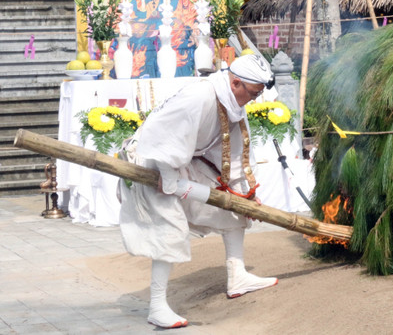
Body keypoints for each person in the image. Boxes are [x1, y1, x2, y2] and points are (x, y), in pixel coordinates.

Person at [118, 54, 278, 329]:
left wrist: (245, 195)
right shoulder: (199, 96)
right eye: (253, 93)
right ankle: (157, 306)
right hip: (150, 162)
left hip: (181, 163)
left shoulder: (232, 103)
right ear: (236, 83)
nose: (254, 99)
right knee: (170, 227)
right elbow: (161, 136)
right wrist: (169, 180)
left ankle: (238, 275)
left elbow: (234, 155)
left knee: (231, 208)